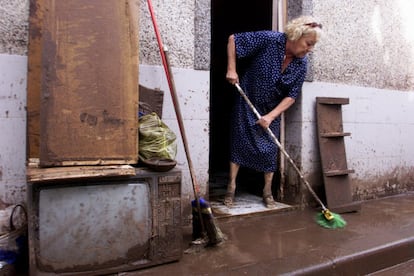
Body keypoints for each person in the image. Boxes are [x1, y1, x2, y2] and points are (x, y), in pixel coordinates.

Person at [224, 16, 322, 208]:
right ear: (296, 35)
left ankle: (267, 191)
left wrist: (271, 116)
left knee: (269, 149)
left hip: (272, 109)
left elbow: (292, 96)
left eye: (312, 46)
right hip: (248, 100)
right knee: (240, 142)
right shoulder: (270, 39)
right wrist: (231, 69)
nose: (309, 49)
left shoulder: (302, 64)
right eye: (308, 44)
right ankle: (231, 187)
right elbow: (233, 40)